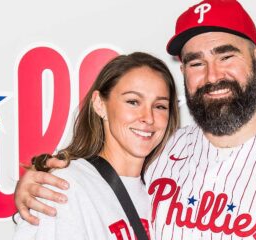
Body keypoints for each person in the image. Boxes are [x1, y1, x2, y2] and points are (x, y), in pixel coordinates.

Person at [14, 0, 256, 239]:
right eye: (196, 62)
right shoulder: (161, 150)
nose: (212, 74)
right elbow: (98, 184)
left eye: (227, 56)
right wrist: (38, 181)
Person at [13, 52, 179, 240]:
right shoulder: (64, 185)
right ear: (100, 104)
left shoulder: (165, 192)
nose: (148, 118)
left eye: (160, 106)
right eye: (133, 102)